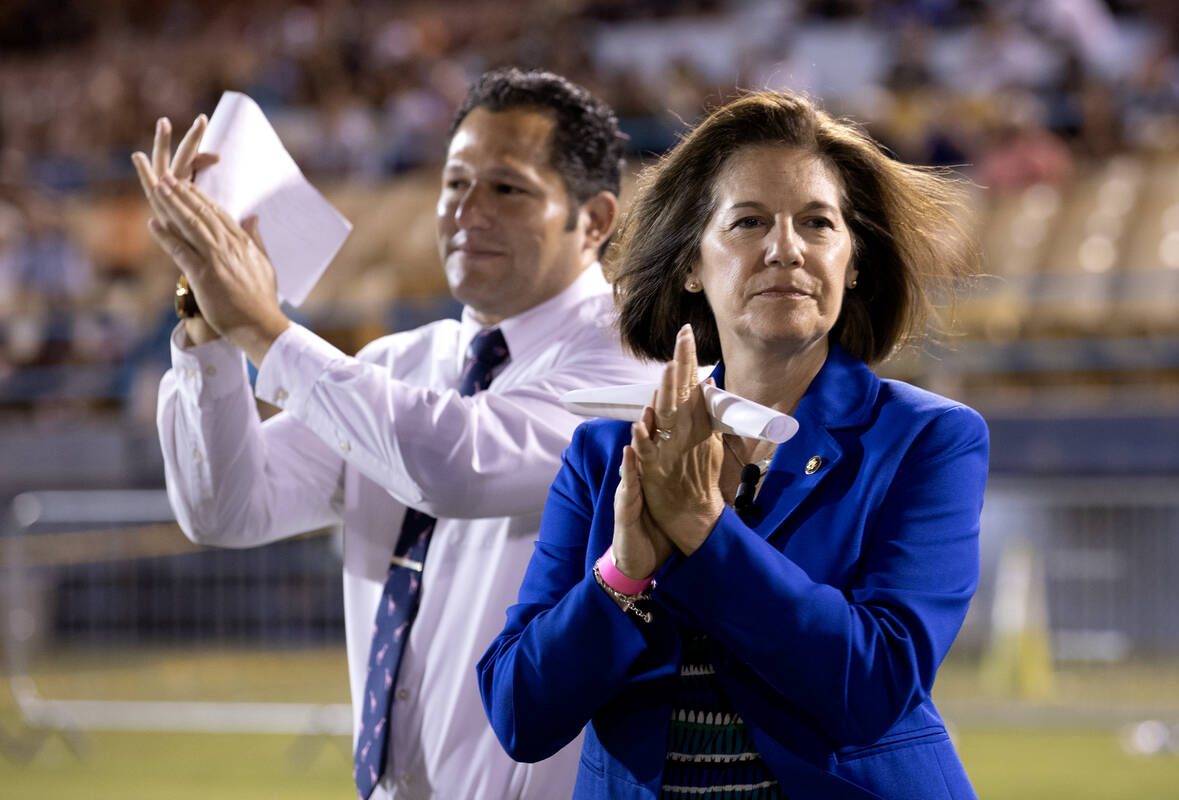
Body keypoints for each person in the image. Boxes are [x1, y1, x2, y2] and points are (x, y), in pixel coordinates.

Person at [131, 68, 660, 800]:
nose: (466, 211)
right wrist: (208, 327)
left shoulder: (634, 360)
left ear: (595, 220)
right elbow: (229, 509)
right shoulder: (397, 366)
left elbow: (456, 466)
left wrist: (263, 328)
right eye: (454, 183)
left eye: (506, 188)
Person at [478, 90, 989, 799]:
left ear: (853, 262)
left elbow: (873, 689)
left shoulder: (928, 439)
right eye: (748, 222)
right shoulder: (604, 452)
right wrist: (624, 576)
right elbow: (519, 715)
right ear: (692, 263)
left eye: (817, 223)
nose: (786, 249)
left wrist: (702, 528)